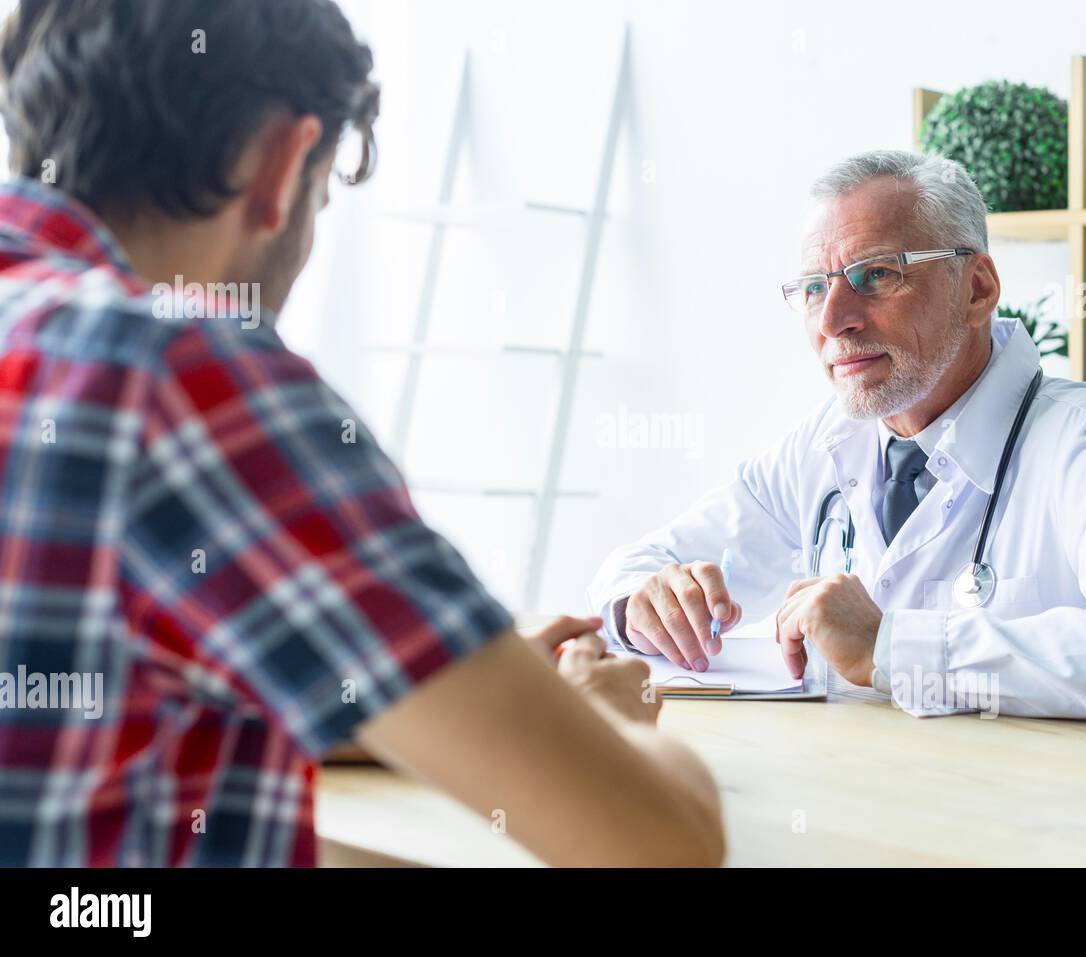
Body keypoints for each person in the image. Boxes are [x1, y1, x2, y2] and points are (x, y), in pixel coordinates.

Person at [0, 0, 723, 867]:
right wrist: (597, 718)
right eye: (327, 187)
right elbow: (658, 841)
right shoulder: (178, 371)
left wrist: (446, 688)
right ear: (282, 162)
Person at [588, 149, 1086, 720]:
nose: (834, 320)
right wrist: (643, 604)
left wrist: (894, 646)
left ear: (977, 289)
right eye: (814, 289)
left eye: (875, 275)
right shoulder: (822, 444)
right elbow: (635, 568)